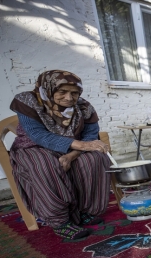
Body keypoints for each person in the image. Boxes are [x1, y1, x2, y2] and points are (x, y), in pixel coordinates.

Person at [9, 70, 111, 240]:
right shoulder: (28, 101)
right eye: (62, 92)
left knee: (95, 158)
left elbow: (90, 135)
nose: (69, 98)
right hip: (34, 147)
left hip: (73, 149)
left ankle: (84, 211)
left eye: (74, 93)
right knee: (45, 164)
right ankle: (60, 221)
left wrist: (72, 155)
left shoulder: (84, 107)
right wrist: (80, 145)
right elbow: (37, 135)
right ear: (48, 89)